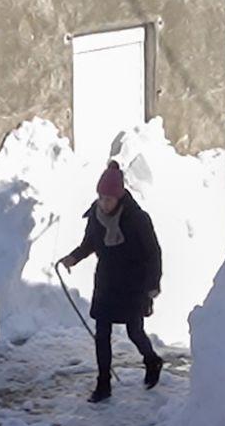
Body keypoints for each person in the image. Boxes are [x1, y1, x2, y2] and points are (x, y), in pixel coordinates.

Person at [56, 161, 164, 402]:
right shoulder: (96, 216)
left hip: (132, 283)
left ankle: (152, 361)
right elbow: (90, 243)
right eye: (101, 197)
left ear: (120, 196)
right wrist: (74, 257)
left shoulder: (137, 219)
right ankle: (103, 383)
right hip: (106, 281)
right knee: (102, 332)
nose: (103, 203)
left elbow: (153, 253)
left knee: (134, 330)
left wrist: (152, 284)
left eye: (108, 199)